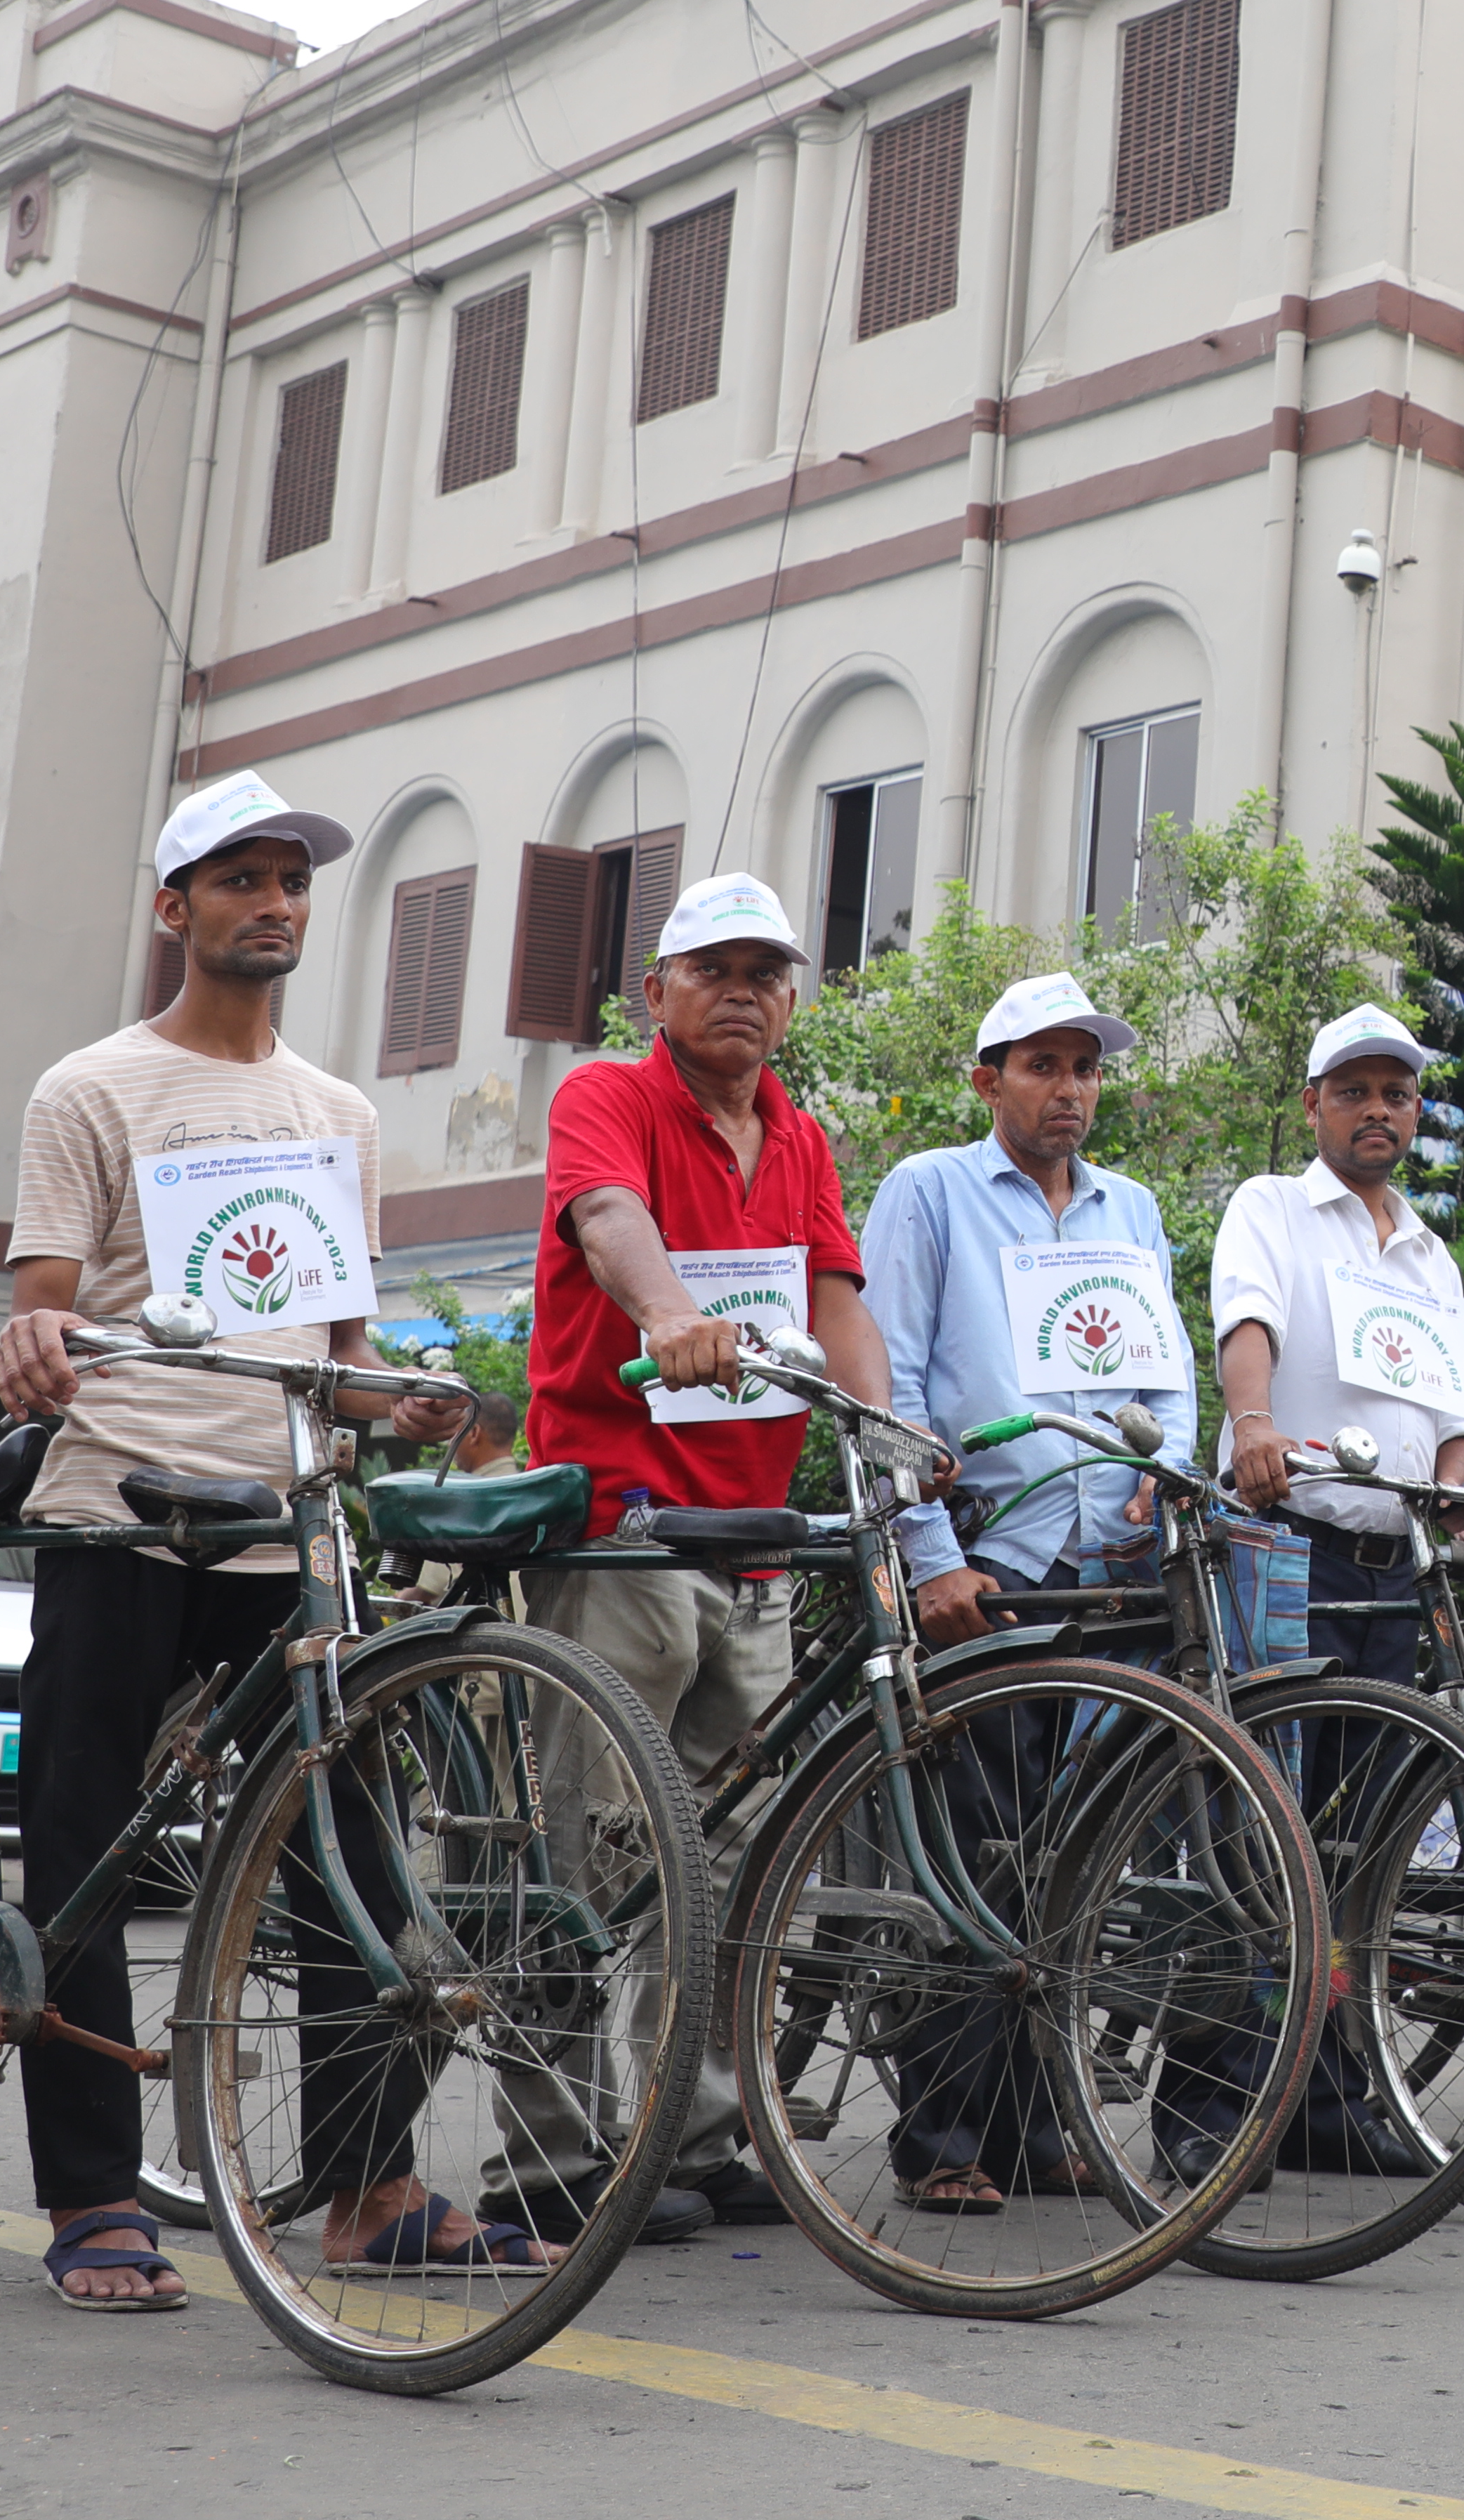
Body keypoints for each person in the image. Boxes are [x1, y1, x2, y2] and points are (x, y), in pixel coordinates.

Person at [0, 770, 486, 2308]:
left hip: (286, 1521)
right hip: (118, 1508)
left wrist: (406, 1398)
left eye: (290, 879)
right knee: (78, 1847)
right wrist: (37, 1343)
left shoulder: (339, 1113)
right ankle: (90, 2196)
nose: (272, 900)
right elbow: (44, 1298)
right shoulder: (92, 1087)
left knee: (343, 1856)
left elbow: (343, 1338)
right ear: (175, 906)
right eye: (239, 877)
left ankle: (363, 2182)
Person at [508, 871, 885, 2236]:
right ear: (657, 989)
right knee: (587, 1837)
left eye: (767, 969)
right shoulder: (604, 1096)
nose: (743, 989)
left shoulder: (803, 1135)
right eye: (714, 965)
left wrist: (892, 1439)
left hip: (757, 1526)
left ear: (792, 997)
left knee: (730, 1855)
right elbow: (610, 1221)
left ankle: (698, 2124)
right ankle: (545, 2151)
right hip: (622, 1516)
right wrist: (669, 1309)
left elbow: (837, 1300)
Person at [852, 972, 1192, 2207]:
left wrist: (1175, 1469)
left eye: (1087, 1067)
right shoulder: (931, 1191)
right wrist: (931, 1557)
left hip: (1114, 1559)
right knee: (976, 1851)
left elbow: (1169, 1370)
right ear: (989, 1078)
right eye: (1044, 1065)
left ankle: (1039, 2122)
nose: (1071, 1089)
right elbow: (886, 1384)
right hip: (993, 1555)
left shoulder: (1131, 1210)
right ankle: (945, 2138)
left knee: (1074, 1864)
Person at [1207, 1002, 1464, 1696]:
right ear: (1312, 1106)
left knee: (1375, 1790)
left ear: (1416, 1113)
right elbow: (1248, 1319)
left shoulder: (1431, 1255)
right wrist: (1253, 1424)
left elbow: (1458, 1412)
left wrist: (1452, 1492)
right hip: (1291, 1546)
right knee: (1276, 1776)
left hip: (1404, 1569)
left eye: (1395, 1095)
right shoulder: (1269, 1205)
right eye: (1352, 1093)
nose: (1377, 1109)